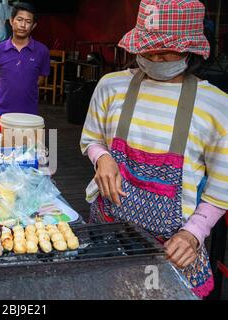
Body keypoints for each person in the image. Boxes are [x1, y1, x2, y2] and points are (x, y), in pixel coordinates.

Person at [80, 0, 228, 298]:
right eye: (147, 51)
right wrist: (103, 157)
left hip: (172, 249)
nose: (154, 58)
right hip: (108, 232)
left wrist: (193, 234)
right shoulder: (110, 86)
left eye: (165, 52)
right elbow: (91, 139)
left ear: (191, 50)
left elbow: (221, 188)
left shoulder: (216, 106)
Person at [0, 2, 50, 115]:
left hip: (29, 114)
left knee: (37, 133)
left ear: (34, 25)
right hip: (2, 113)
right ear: (11, 21)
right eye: (19, 19)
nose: (23, 25)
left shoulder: (42, 51)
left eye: (28, 22)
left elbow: (40, 80)